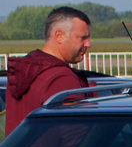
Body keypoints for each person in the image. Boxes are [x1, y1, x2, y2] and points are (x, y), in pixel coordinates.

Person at [4, 7, 91, 137]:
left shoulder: (21, 71)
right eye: (82, 38)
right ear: (59, 36)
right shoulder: (61, 78)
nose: (88, 44)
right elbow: (76, 139)